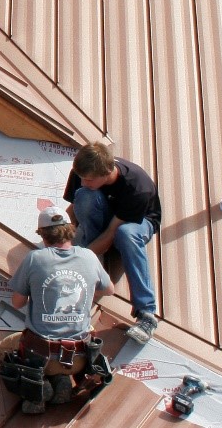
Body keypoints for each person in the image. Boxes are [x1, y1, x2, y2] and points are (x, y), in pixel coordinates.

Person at [0, 206, 114, 413]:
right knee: (63, 358)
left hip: (40, 356)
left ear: (42, 234)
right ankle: (61, 380)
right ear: (70, 230)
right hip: (80, 358)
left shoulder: (35, 259)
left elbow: (17, 302)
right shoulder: (88, 257)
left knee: (1, 348)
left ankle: (38, 390)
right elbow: (109, 289)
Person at [64, 142, 162, 343]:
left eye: (89, 179)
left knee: (125, 235)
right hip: (108, 213)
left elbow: (111, 235)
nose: (83, 182)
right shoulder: (83, 171)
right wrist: (63, 240)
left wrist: (77, 260)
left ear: (108, 172)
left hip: (137, 222)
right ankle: (91, 258)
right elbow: (72, 210)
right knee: (84, 196)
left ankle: (147, 313)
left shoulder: (137, 187)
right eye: (81, 177)